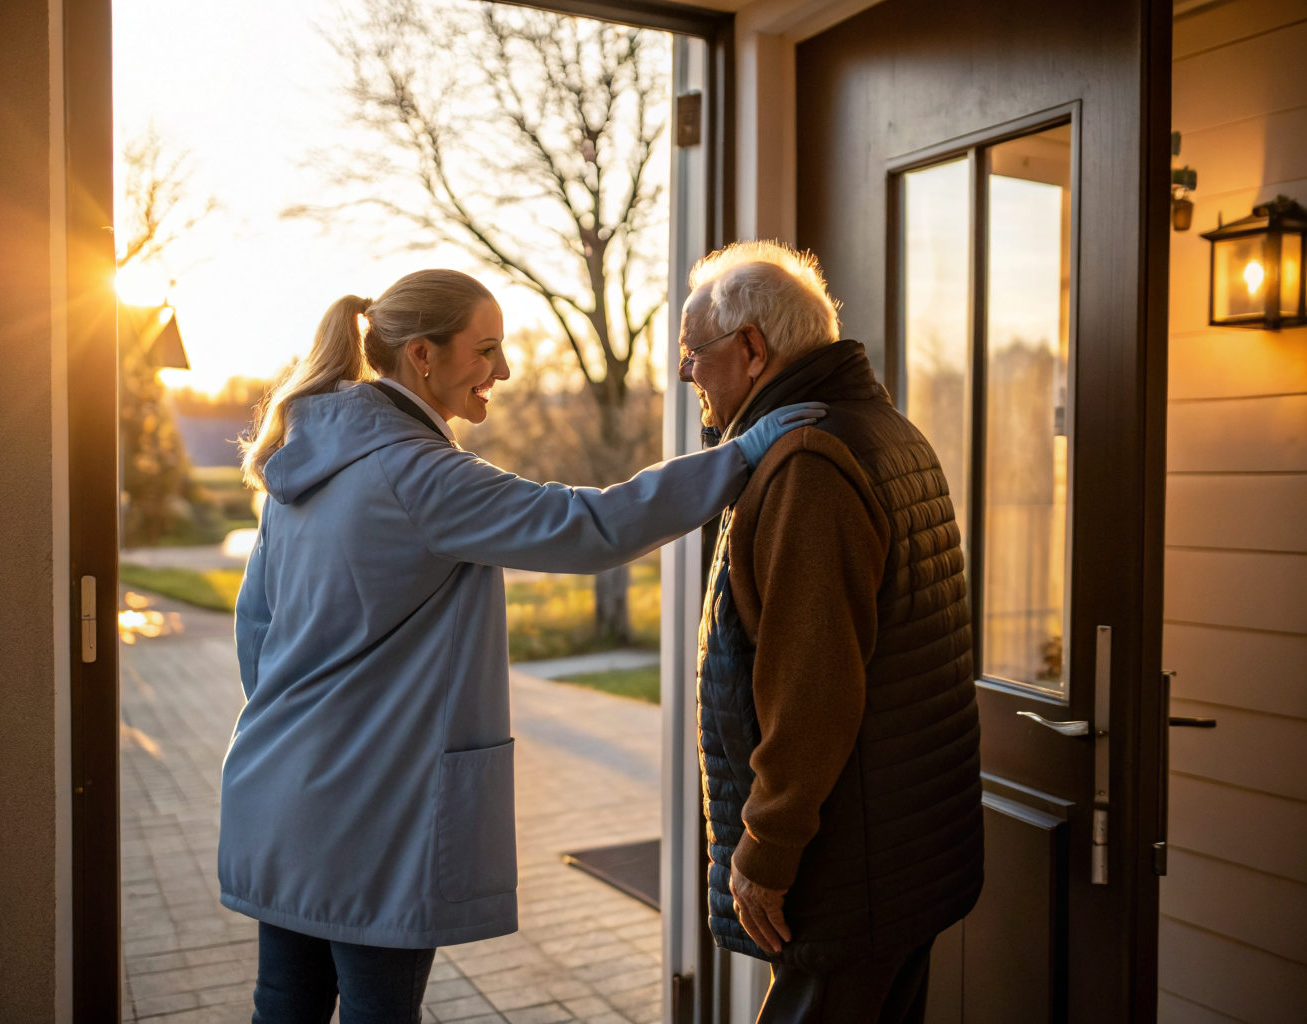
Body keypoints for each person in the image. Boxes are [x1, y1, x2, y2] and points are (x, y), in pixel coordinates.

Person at [218, 268, 824, 1024]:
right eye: (486, 349)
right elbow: (588, 526)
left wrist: (308, 730)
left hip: (278, 792)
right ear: (422, 356)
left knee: (284, 1006)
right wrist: (741, 454)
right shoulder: (418, 473)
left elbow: (255, 629)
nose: (503, 370)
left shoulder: (301, 463)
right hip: (368, 813)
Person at [682, 242, 983, 1024]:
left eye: (694, 352)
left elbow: (812, 687)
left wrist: (765, 849)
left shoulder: (808, 461)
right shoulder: (883, 428)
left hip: (848, 860)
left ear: (751, 348)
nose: (686, 373)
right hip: (902, 846)